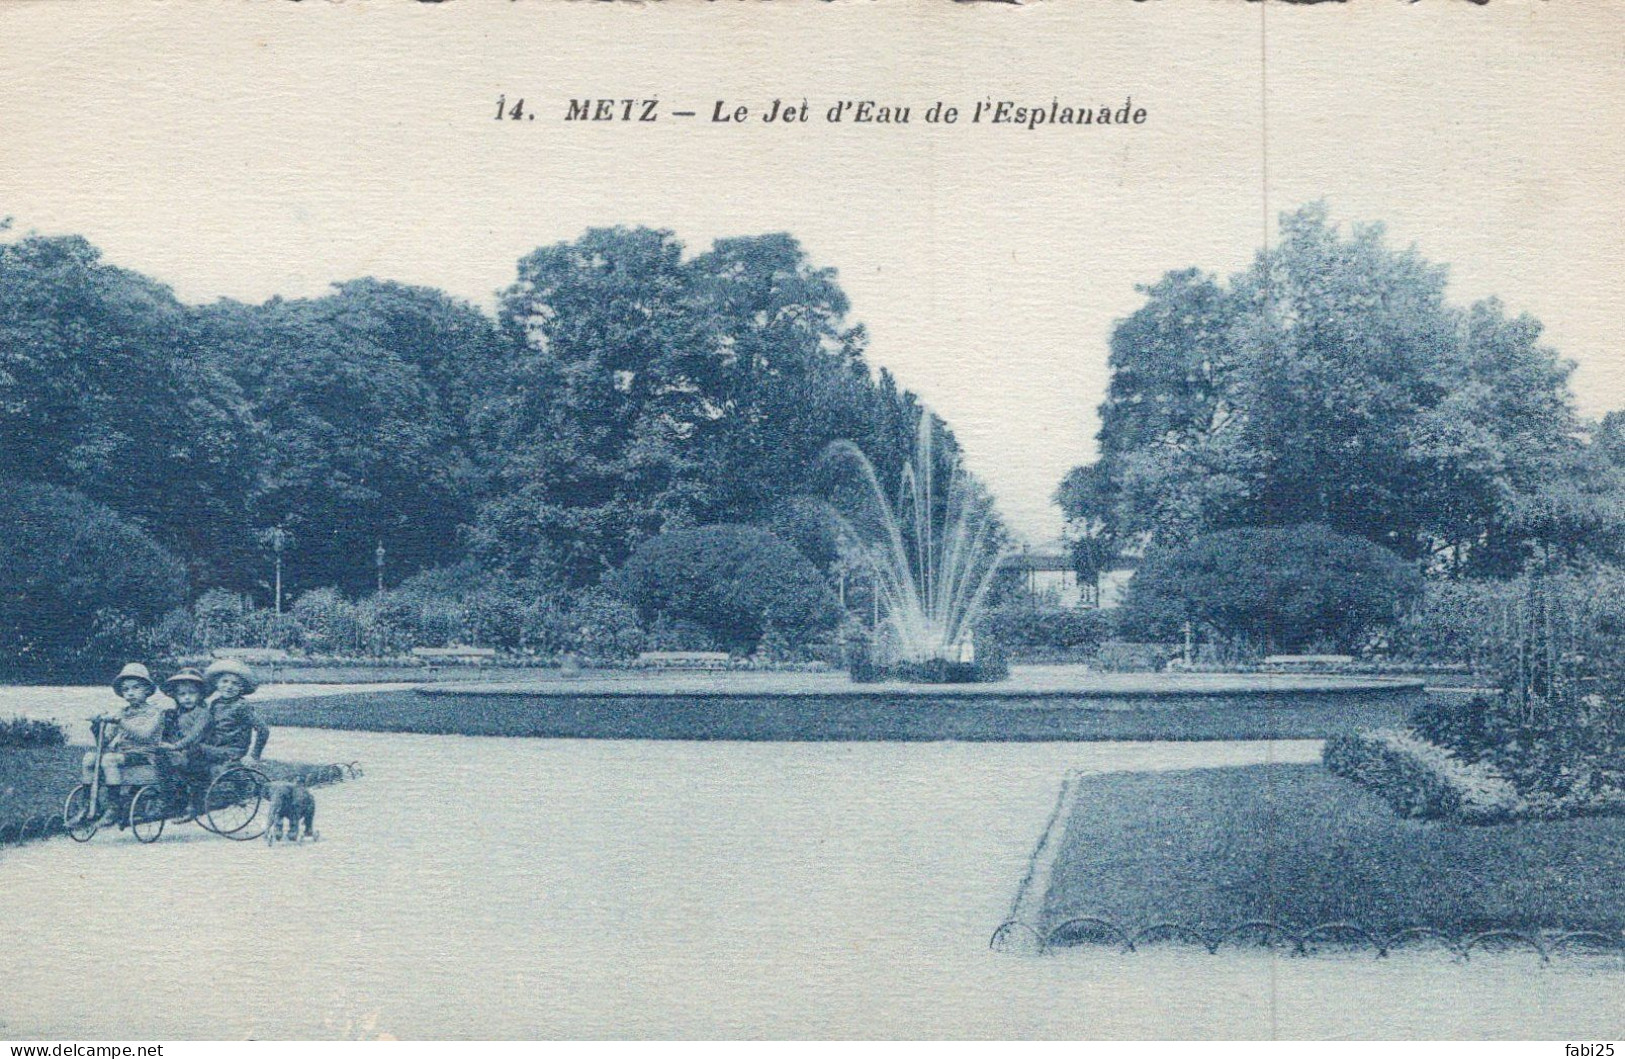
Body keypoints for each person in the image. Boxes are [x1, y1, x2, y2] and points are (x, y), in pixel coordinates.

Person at [85, 662, 172, 826]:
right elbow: (104, 743)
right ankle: (88, 804)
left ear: (147, 690)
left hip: (144, 756)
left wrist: (121, 723)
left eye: (135, 688)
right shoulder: (122, 712)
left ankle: (114, 807)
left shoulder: (156, 712)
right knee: (89, 758)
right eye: (126, 689)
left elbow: (145, 735)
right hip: (123, 755)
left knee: (109, 760)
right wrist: (97, 726)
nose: (130, 693)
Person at [155, 667, 213, 813]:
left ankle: (194, 804)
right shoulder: (176, 714)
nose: (187, 697)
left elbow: (194, 735)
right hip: (181, 750)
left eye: (192, 693)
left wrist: (175, 746)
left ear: (200, 695)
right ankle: (170, 796)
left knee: (192, 760)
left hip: (201, 750)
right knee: (160, 758)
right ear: (176, 697)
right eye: (182, 694)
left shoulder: (203, 714)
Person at [198, 658, 270, 767]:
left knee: (194, 750)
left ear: (241, 687)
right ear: (216, 684)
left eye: (235, 683)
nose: (229, 686)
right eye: (225, 681)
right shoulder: (216, 704)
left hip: (232, 752)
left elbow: (263, 729)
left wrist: (254, 755)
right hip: (216, 747)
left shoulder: (241, 706)